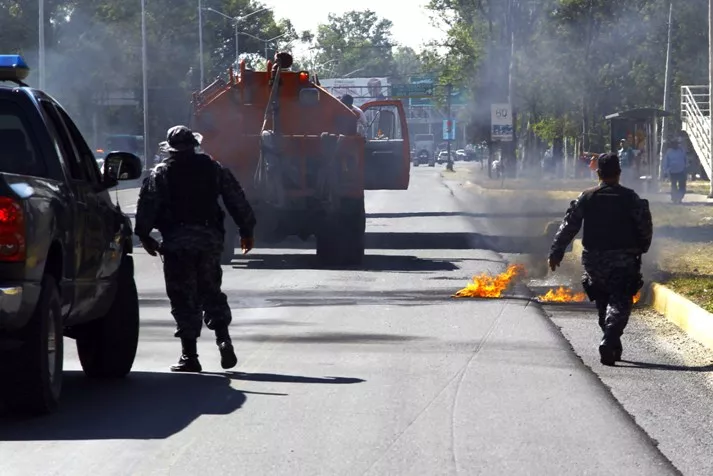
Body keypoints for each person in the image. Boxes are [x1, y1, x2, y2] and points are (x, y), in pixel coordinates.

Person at [134, 125, 257, 373]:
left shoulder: (160, 173)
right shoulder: (214, 168)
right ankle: (223, 339)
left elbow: (147, 206)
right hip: (209, 239)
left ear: (170, 149)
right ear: (194, 145)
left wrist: (144, 235)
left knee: (183, 296)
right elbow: (237, 199)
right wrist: (246, 230)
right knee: (211, 289)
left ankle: (190, 356)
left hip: (177, 242)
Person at [548, 153, 653, 366]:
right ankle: (610, 338)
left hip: (594, 260)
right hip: (623, 259)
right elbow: (645, 226)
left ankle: (612, 342)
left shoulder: (586, 197)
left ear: (598, 173)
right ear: (619, 173)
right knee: (620, 299)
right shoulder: (630, 198)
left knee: (603, 298)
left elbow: (569, 225)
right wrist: (643, 247)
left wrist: (557, 251)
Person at [662, 138, 688, 204]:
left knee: (682, 186)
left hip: (681, 170)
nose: (675, 145)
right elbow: (666, 162)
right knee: (674, 185)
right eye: (674, 144)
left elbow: (685, 159)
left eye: (676, 144)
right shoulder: (669, 152)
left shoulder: (681, 150)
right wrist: (665, 171)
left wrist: (686, 168)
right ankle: (674, 198)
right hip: (672, 171)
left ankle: (679, 198)